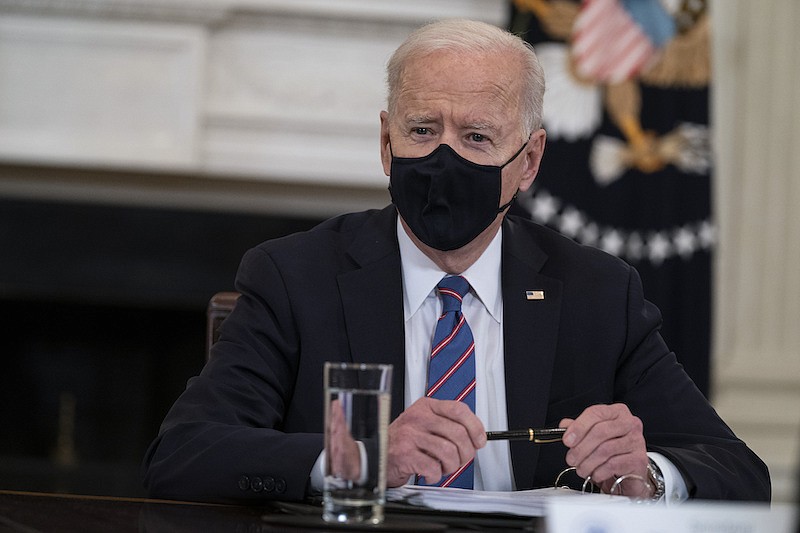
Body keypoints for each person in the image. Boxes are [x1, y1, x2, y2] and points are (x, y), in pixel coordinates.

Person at [142, 18, 770, 504]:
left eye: (476, 137)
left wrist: (649, 475)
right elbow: (183, 455)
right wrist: (357, 459)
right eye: (422, 131)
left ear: (528, 162)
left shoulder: (598, 292)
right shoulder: (295, 277)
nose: (444, 159)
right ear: (385, 144)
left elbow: (739, 471)